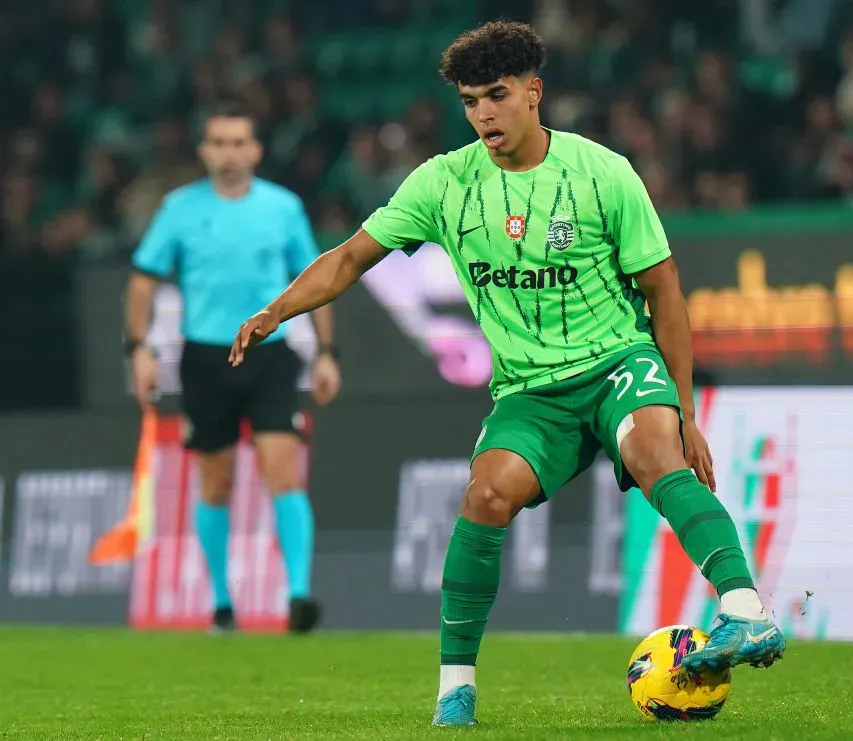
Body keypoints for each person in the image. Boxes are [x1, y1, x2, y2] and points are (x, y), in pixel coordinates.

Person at [229, 21, 784, 724]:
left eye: (496, 95)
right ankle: (455, 687)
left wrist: (684, 407)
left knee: (654, 453)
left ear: (533, 92)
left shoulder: (602, 173)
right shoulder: (443, 182)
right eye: (470, 101)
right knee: (486, 495)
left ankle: (744, 610)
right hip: (530, 390)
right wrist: (276, 310)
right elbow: (347, 257)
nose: (484, 114)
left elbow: (664, 290)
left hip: (617, 361)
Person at [124, 101, 341, 634]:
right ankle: (222, 604)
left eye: (238, 143)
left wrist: (328, 353)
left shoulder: (283, 208)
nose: (228, 154)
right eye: (218, 143)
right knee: (215, 483)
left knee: (281, 470)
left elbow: (316, 281)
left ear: (256, 150)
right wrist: (138, 347)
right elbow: (142, 281)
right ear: (203, 150)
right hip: (205, 358)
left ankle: (298, 597)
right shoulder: (178, 208)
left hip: (270, 355)